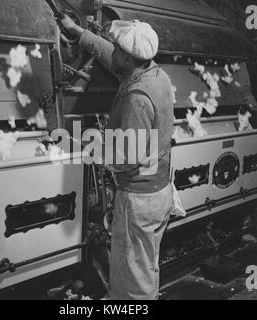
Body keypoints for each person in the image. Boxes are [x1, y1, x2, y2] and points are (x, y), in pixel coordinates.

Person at [60, 15, 174, 300]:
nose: (114, 53)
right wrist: (78, 32)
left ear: (128, 58)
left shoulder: (136, 98)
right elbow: (111, 57)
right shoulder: (156, 74)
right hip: (159, 191)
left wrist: (92, 146)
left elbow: (126, 159)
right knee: (145, 267)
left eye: (118, 51)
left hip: (139, 200)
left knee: (133, 280)